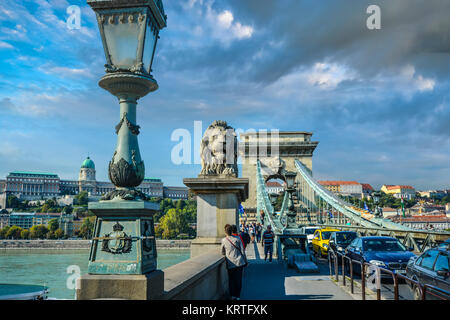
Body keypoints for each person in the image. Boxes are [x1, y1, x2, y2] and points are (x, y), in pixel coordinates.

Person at [221, 224, 247, 300]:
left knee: (231, 280)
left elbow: (222, 252)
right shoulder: (238, 239)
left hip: (230, 263)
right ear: (232, 231)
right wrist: (246, 261)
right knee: (238, 280)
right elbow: (242, 251)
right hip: (239, 262)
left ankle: (232, 295)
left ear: (225, 232)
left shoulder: (224, 240)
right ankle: (238, 295)